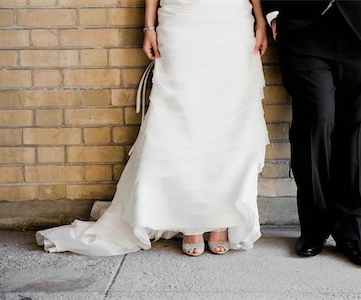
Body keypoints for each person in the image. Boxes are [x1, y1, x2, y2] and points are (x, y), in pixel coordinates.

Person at [35, 0, 269, 257]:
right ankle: (190, 221)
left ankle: (220, 220)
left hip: (231, 21)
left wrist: (260, 20)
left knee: (228, 121)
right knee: (182, 120)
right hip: (182, 20)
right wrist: (149, 26)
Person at [262, 0, 361, 266]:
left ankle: (353, 233)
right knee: (314, 124)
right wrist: (274, 13)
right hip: (303, 26)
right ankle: (314, 227)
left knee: (359, 132)